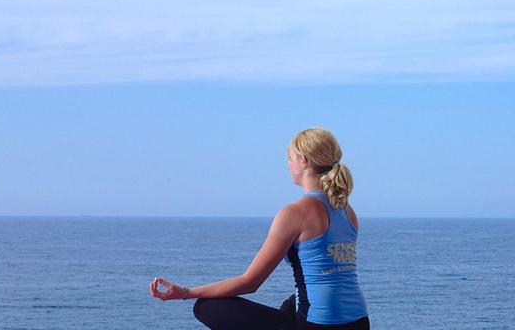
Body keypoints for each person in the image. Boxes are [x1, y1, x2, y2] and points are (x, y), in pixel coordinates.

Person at [149, 126, 370, 330]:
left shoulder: (295, 213)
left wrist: (185, 292)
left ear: (302, 161)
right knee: (294, 300)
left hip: (316, 325)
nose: (287, 165)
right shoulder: (347, 211)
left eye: (290, 158)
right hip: (359, 322)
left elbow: (250, 282)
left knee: (206, 306)